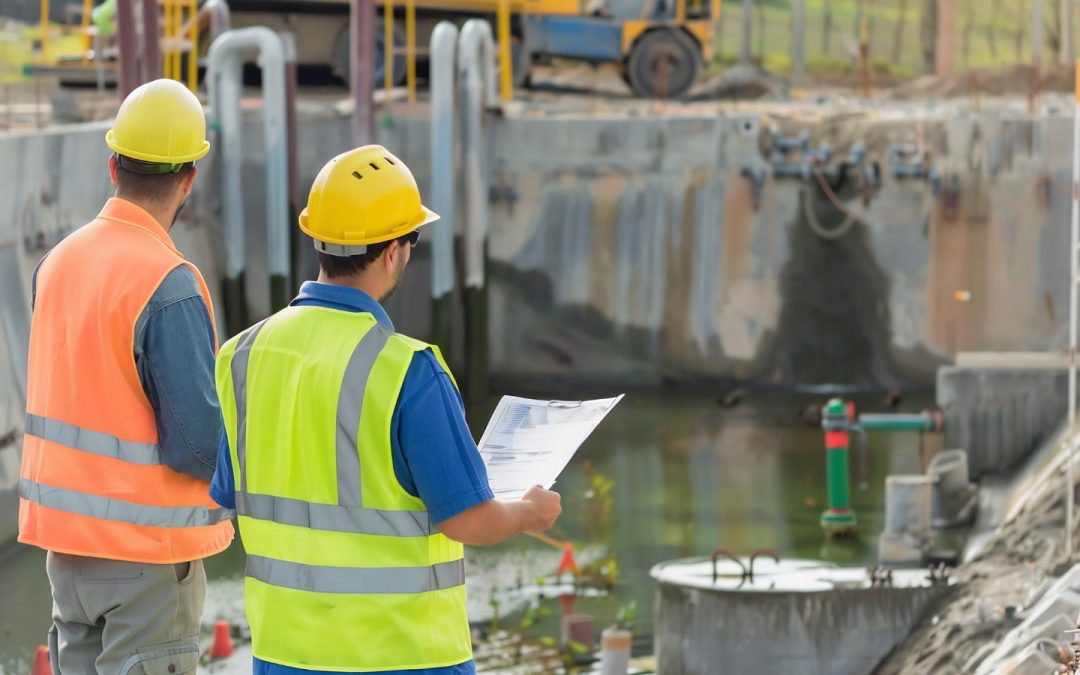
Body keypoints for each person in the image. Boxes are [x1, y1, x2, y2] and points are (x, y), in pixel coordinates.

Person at [210, 145, 562, 674]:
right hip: (403, 656)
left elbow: (229, 493)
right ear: (394, 251)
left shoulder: (242, 354)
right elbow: (469, 520)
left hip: (283, 654)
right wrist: (527, 514)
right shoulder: (410, 370)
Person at [19, 78, 234, 674]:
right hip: (145, 556)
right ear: (190, 177)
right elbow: (196, 444)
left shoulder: (55, 264)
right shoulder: (167, 282)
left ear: (113, 165)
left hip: (68, 555)